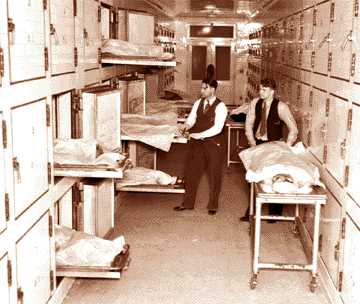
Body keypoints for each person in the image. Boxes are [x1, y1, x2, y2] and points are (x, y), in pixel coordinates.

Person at [240, 78, 298, 222]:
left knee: (273, 177)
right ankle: (252, 211)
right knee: (252, 177)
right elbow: (249, 123)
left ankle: (275, 212)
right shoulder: (256, 103)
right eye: (260, 89)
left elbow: (293, 129)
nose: (260, 92)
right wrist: (252, 142)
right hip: (258, 143)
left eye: (264, 90)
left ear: (272, 91)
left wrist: (286, 146)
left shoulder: (281, 107)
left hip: (274, 145)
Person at [174, 79, 228, 215]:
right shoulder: (198, 103)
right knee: (192, 172)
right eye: (202, 88)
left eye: (205, 88)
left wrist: (200, 135)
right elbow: (192, 119)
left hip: (214, 143)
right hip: (197, 143)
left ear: (213, 89)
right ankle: (187, 203)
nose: (201, 90)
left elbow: (217, 128)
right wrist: (186, 126)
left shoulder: (221, 107)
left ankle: (213, 205)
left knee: (214, 174)